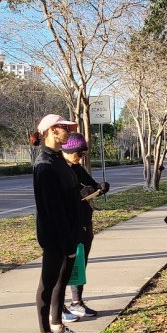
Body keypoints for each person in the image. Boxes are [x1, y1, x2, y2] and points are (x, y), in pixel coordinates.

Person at [30, 114, 86, 333]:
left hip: (69, 233)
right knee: (48, 283)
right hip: (55, 236)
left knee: (62, 281)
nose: (69, 133)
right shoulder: (45, 164)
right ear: (52, 131)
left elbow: (71, 195)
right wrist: (63, 238)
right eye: (65, 129)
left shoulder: (59, 160)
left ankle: (58, 325)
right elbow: (50, 209)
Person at [59, 132, 109, 322]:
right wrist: (81, 195)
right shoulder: (59, 169)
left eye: (82, 155)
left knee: (80, 264)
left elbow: (92, 185)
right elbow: (61, 198)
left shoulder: (77, 168)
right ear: (68, 150)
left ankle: (76, 302)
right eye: (77, 154)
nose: (80, 158)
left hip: (83, 223)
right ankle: (59, 306)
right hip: (69, 225)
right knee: (64, 267)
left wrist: (100, 187)